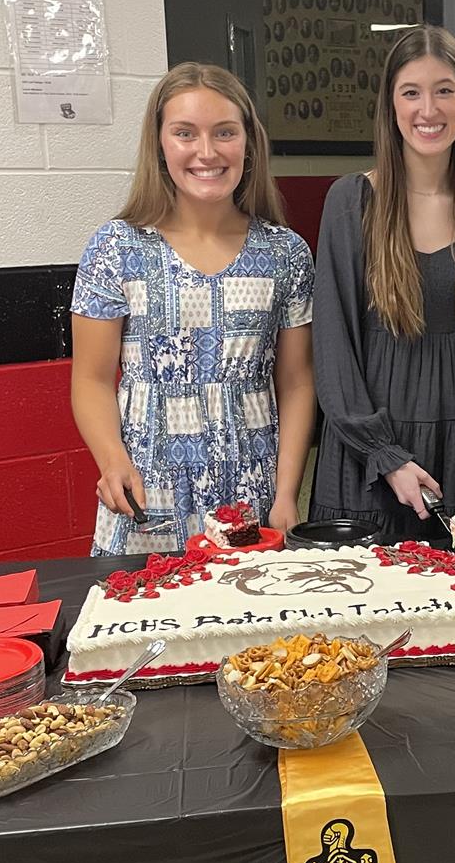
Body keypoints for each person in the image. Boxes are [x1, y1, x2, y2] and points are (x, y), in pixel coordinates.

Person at [69, 62, 315, 555]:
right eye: (185, 133)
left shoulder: (285, 253)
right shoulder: (117, 248)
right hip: (147, 489)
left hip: (252, 491)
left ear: (248, 142)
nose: (207, 152)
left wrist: (287, 493)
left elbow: (296, 383)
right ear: (160, 144)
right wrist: (112, 460)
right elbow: (92, 379)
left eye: (224, 132)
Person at [311, 24, 455, 541]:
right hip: (371, 459)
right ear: (391, 106)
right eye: (411, 92)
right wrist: (385, 457)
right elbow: (334, 350)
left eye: (445, 91)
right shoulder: (349, 202)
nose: (428, 110)